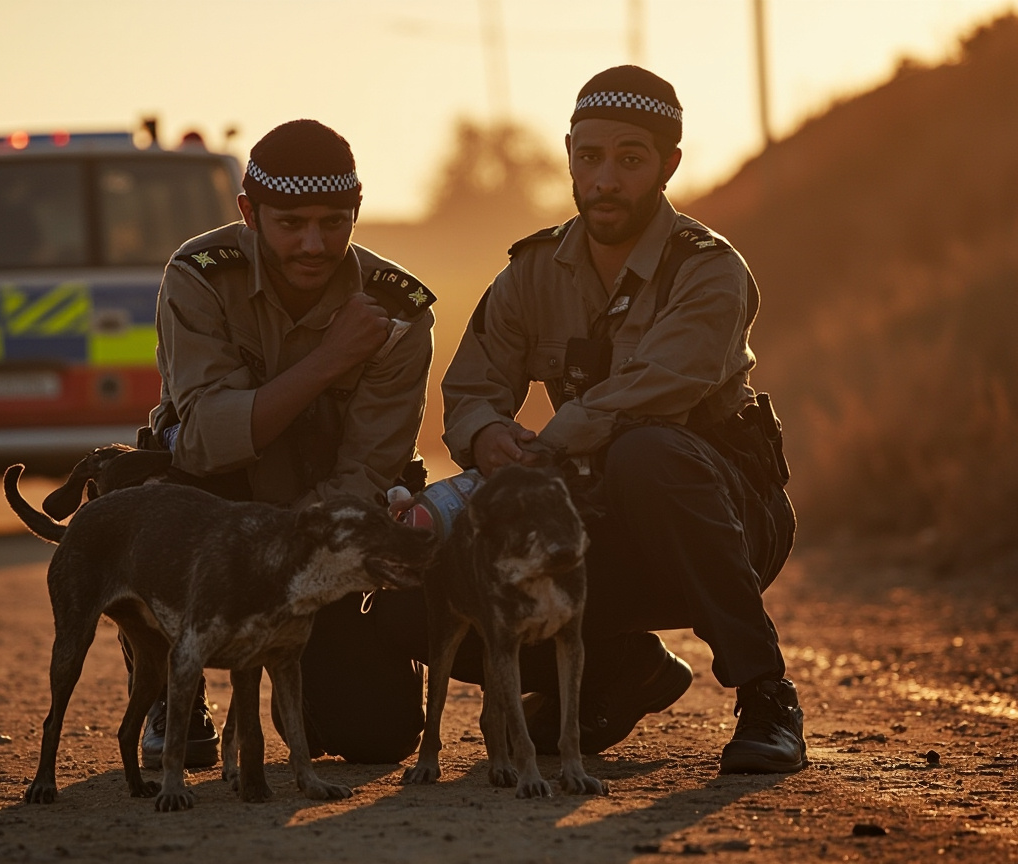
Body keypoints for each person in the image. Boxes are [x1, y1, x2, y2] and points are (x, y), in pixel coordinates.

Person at [438, 65, 804, 774]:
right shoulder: (531, 271)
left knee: (647, 453)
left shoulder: (708, 269)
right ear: (569, 154)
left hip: (720, 515)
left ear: (668, 165)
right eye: (591, 157)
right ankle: (620, 668)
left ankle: (767, 694)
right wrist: (488, 436)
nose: (606, 180)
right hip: (595, 516)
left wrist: (549, 444)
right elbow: (471, 387)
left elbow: (658, 389)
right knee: (438, 582)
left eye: (630, 160)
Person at [136, 119, 435, 768]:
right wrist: (329, 360)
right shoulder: (200, 276)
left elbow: (366, 473)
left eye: (333, 223)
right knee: (142, 496)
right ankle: (168, 685)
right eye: (291, 223)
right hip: (213, 509)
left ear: (357, 211)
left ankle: (309, 672)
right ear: (249, 213)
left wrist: (287, 562)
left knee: (376, 737)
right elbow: (206, 444)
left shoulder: (399, 310)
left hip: (320, 528)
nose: (313, 244)